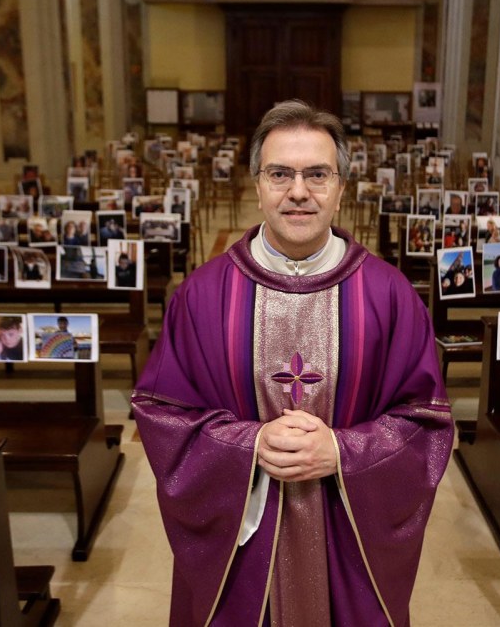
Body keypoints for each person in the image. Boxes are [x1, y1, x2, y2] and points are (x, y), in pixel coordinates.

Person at [131, 100, 453, 626]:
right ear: (256, 186)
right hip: (243, 550)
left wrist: (344, 450)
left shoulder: (390, 296)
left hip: (349, 544)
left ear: (341, 187)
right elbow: (162, 412)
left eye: (317, 175)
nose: (298, 192)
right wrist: (248, 444)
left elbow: (427, 422)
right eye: (280, 174)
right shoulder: (201, 296)